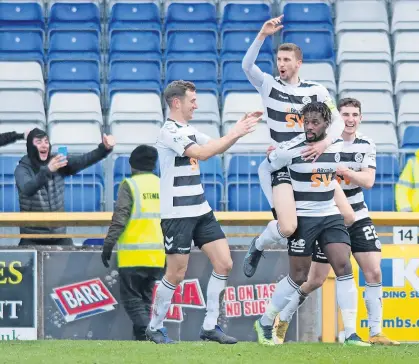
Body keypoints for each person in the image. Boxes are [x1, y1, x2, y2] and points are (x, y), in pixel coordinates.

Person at [271, 98, 399, 346]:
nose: (350, 119)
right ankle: (283, 319)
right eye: (346, 114)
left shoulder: (366, 143)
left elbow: (368, 181)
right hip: (329, 214)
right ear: (337, 118)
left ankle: (375, 332)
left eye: (355, 114)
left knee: (373, 270)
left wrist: (340, 170)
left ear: (360, 118)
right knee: (315, 280)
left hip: (358, 213)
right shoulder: (322, 142)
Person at [145, 80, 261, 344]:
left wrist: (237, 131)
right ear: (177, 103)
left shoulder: (188, 129)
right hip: (177, 213)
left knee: (224, 262)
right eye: (192, 100)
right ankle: (155, 325)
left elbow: (217, 145)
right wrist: (235, 132)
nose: (196, 105)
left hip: (200, 209)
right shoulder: (169, 132)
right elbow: (203, 153)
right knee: (176, 273)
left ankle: (210, 326)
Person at [252, 101, 368, 347]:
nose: (310, 127)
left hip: (329, 214)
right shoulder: (289, 150)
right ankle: (265, 321)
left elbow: (341, 127)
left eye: (315, 122)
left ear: (326, 124)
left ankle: (350, 333)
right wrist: (275, 207)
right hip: (303, 218)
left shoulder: (335, 143)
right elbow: (264, 169)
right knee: (298, 276)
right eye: (307, 122)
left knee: (344, 266)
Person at [241, 15, 345, 278]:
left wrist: (324, 143)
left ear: (299, 63)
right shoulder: (269, 85)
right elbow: (246, 65)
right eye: (278, 60)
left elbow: (338, 122)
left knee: (345, 216)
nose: (281, 64)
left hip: (311, 162)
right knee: (287, 227)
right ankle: (259, 245)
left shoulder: (317, 90)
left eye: (287, 60)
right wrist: (261, 36)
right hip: (282, 164)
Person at [100, 145, 165, 341]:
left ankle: (151, 333)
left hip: (133, 255)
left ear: (132, 164)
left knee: (132, 301)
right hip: (158, 255)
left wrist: (108, 245)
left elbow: (120, 218)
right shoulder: (162, 185)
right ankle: (143, 339)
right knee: (145, 299)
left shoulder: (130, 185)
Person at [15, 128, 115, 246]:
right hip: (31, 237)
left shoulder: (57, 162)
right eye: (38, 142)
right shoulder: (22, 169)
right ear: (30, 147)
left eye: (46, 142)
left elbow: (83, 160)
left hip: (59, 235)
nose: (44, 145)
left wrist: (104, 149)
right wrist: (47, 170)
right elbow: (28, 189)